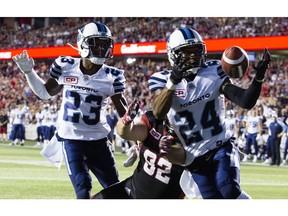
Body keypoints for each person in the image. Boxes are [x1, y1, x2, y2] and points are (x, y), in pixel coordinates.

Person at [148, 27, 271, 199]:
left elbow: (244, 101)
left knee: (228, 188)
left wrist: (258, 78)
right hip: (193, 156)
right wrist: (173, 82)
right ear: (173, 55)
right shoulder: (161, 79)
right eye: (187, 53)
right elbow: (159, 112)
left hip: (220, 145)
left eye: (196, 50)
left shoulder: (213, 70)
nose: (193, 56)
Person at [12, 22, 128, 199]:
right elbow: (44, 93)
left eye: (105, 44)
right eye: (96, 43)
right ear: (83, 44)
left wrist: (138, 142)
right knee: (83, 188)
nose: (102, 48)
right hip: (71, 140)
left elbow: (124, 113)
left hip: (99, 141)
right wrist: (29, 72)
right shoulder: (66, 66)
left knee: (116, 190)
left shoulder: (112, 76)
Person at [92, 99, 185, 199]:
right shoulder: (154, 120)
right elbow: (125, 132)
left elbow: (182, 157)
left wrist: (168, 151)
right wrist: (126, 121)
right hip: (133, 189)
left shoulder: (193, 138)